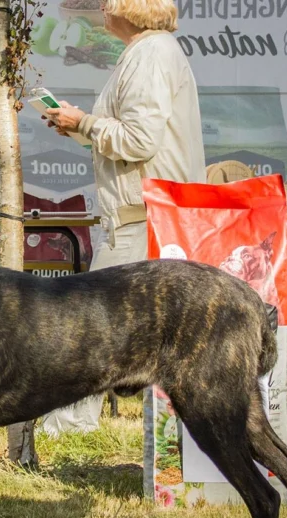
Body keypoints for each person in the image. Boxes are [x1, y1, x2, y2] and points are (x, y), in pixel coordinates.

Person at [42, 0, 206, 432]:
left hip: (143, 217)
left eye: (107, 0)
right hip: (145, 212)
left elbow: (138, 141)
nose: (99, 7)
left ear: (129, 8)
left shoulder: (150, 54)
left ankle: (71, 424)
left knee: (89, 322)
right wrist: (80, 126)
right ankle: (77, 421)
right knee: (104, 324)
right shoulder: (147, 52)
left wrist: (86, 123)